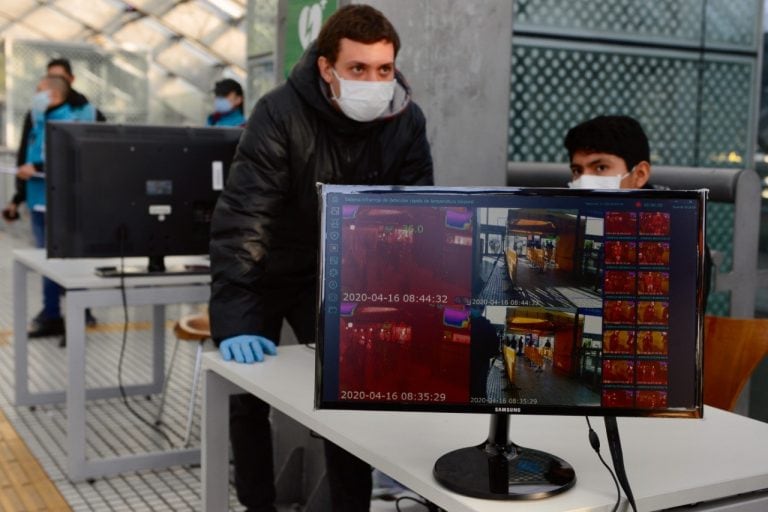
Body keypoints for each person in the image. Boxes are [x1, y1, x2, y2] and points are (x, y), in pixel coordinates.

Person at [209, 5, 433, 512]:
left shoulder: (406, 122)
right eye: (358, 69)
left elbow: (417, 214)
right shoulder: (278, 113)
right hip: (267, 266)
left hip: (340, 277)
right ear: (326, 68)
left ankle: (350, 506)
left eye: (384, 70)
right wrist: (237, 317)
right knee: (248, 397)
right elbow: (245, 219)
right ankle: (257, 504)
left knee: (347, 399)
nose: (373, 82)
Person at [564, 114, 711, 305]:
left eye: (600, 167)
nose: (584, 180)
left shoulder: (679, 231)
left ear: (639, 174)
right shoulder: (577, 220)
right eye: (577, 170)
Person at [20, 76, 97, 339]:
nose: (35, 96)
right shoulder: (39, 118)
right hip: (37, 199)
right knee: (46, 263)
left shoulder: (69, 120)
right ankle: (51, 314)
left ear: (53, 94)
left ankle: (80, 314)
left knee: (67, 263)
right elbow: (30, 152)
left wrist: (37, 168)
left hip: (59, 202)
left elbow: (68, 157)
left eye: (39, 91)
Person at [4, 58, 106, 227]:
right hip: (37, 199)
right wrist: (17, 198)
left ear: (70, 80)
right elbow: (26, 155)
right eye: (49, 77)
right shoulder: (36, 116)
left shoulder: (86, 115)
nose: (52, 82)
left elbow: (85, 160)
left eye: (59, 78)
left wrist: (37, 167)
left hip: (71, 202)